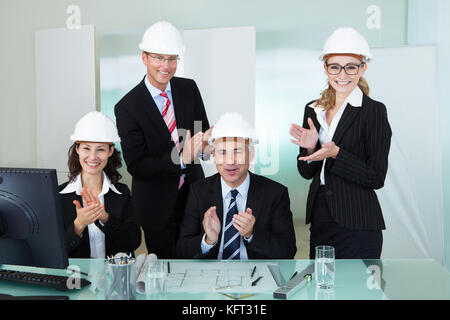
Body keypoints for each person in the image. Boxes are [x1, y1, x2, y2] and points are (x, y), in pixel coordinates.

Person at [289, 27, 392, 259]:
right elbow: (306, 173)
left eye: (351, 67)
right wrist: (309, 148)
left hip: (359, 221)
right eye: (335, 66)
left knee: (359, 292)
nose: (342, 74)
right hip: (321, 217)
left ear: (362, 68)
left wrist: (336, 153)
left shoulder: (373, 111)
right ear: (325, 68)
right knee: (322, 288)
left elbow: (376, 177)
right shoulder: (313, 109)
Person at [114, 21, 211, 258]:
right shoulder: (127, 107)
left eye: (172, 58)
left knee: (198, 261)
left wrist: (207, 146)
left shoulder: (188, 88)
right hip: (156, 206)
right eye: (158, 58)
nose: (166, 66)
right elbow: (137, 164)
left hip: (194, 196)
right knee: (167, 270)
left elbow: (201, 131)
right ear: (144, 57)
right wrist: (180, 158)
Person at [177, 112, 297, 259]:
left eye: (237, 152)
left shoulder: (275, 193)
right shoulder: (198, 191)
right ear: (213, 156)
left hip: (257, 276)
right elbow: (182, 249)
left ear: (251, 154)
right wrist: (208, 240)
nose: (230, 161)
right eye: (222, 152)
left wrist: (251, 234)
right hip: (211, 277)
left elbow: (288, 250)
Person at [59, 111, 141, 258]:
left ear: (110, 151)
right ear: (77, 149)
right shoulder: (58, 195)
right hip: (76, 279)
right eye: (86, 148)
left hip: (113, 278)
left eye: (101, 149)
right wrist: (79, 224)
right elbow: (54, 253)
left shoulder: (122, 193)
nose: (93, 157)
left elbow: (134, 242)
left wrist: (105, 218)